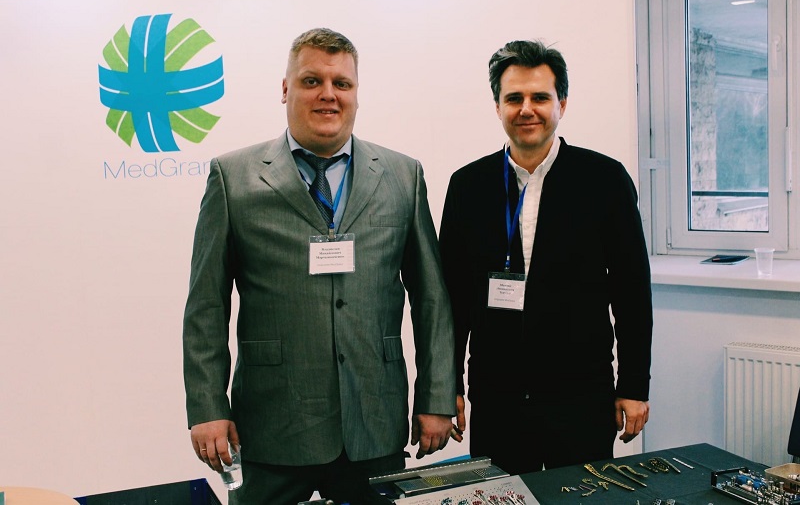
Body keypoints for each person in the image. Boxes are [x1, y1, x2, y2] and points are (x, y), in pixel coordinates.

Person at [183, 28, 456, 505]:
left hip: (373, 421)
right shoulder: (233, 177)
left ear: (356, 92)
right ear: (285, 88)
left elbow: (431, 298)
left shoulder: (403, 175)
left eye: (341, 83)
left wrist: (436, 396)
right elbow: (206, 305)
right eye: (312, 81)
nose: (328, 94)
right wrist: (207, 407)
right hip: (271, 425)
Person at [438, 39, 653, 475]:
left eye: (540, 97)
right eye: (513, 98)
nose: (526, 109)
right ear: (497, 106)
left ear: (562, 104)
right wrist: (446, 386)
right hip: (497, 397)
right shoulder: (468, 186)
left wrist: (634, 385)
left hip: (580, 395)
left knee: (582, 498)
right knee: (503, 499)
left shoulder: (604, 180)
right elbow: (452, 301)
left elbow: (631, 292)